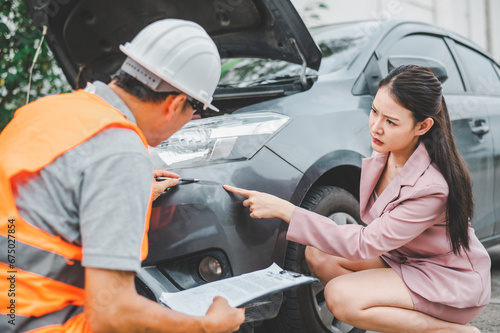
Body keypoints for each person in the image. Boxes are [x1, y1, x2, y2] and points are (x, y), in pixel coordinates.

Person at [0, 19, 244, 332]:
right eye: (194, 112)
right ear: (175, 104)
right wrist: (206, 326)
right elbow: (113, 313)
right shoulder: (122, 152)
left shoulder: (48, 111)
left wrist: (119, 192)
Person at [224, 65, 491, 332]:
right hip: (405, 260)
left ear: (422, 126)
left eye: (391, 121)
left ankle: (448, 330)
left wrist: (288, 211)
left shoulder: (431, 187)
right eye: (375, 111)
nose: (376, 127)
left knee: (341, 296)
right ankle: (390, 320)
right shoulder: (387, 156)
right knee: (319, 254)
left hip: (447, 281)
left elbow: (365, 243)